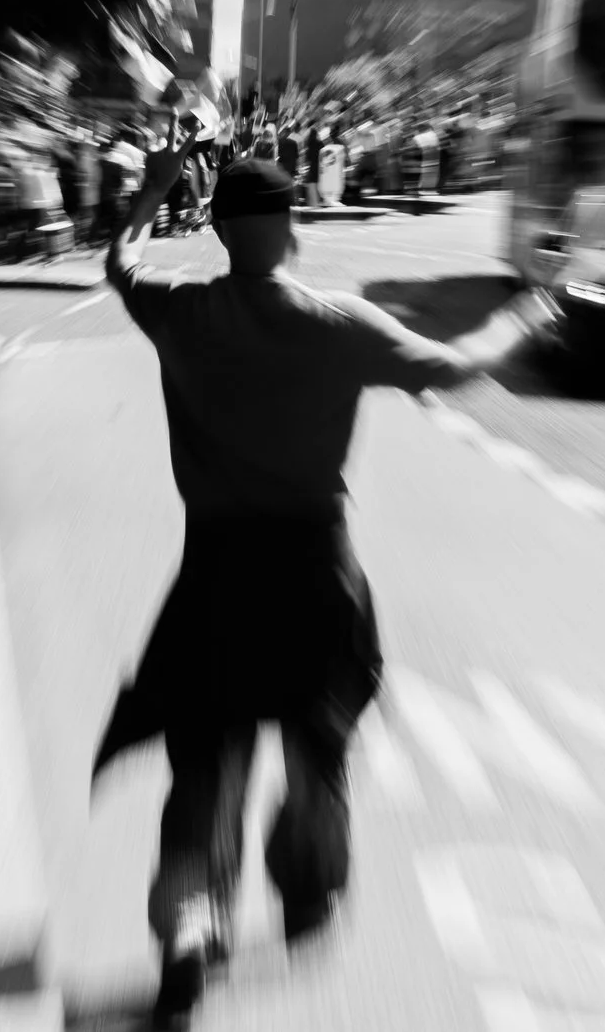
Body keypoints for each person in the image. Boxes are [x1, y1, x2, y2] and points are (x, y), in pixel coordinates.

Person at [98, 125, 541, 1028]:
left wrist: (154, 189)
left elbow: (118, 261)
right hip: (313, 572)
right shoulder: (338, 324)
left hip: (215, 574)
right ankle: (307, 885)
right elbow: (456, 369)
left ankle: (188, 927)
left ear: (218, 230)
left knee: (206, 759)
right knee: (318, 744)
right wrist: (521, 319)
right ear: (292, 227)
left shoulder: (180, 313)